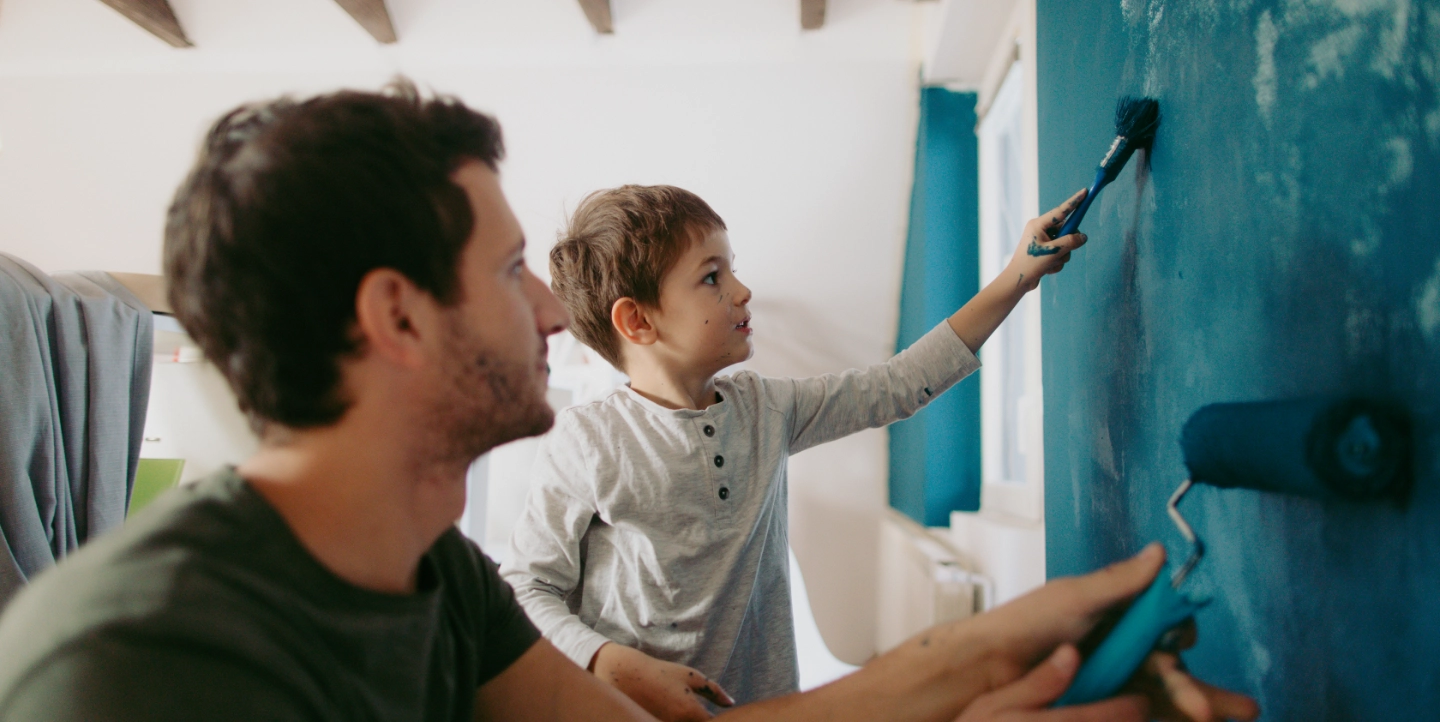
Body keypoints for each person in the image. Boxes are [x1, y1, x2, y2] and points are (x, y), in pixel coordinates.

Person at [0, 82, 1257, 722]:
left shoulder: (440, 582)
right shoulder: (126, 659)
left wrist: (992, 650)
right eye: (507, 274)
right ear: (394, 316)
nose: (552, 314)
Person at [501, 182, 1086, 715]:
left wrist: (1018, 275)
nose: (742, 290)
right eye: (712, 277)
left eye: (732, 270)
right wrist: (607, 659)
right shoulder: (587, 441)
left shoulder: (765, 410)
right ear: (637, 322)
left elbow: (898, 385)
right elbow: (528, 587)